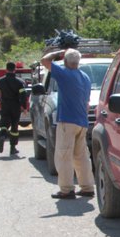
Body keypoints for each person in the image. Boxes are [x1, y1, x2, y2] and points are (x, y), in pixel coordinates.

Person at [39, 48, 94, 199]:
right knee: (82, 156)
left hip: (67, 121)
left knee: (64, 155)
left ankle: (66, 189)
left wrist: (58, 52)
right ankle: (87, 186)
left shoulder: (64, 74)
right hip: (82, 121)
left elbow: (44, 60)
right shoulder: (85, 77)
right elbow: (87, 102)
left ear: (65, 61)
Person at [0, 62, 26, 156]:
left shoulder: (0, 81)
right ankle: (12, 148)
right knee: (14, 127)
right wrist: (24, 107)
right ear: (15, 69)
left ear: (6, 69)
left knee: (4, 123)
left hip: (5, 105)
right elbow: (23, 96)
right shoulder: (20, 82)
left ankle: (2, 135)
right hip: (15, 106)